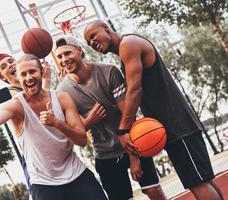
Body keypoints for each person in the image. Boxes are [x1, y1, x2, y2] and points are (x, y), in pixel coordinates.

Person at [84, 20, 224, 200]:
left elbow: (135, 90)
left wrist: (123, 129)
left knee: (198, 183)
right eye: (88, 42)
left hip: (177, 125)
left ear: (105, 27)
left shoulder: (129, 45)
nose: (92, 42)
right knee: (202, 181)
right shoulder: (126, 50)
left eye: (93, 36)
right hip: (175, 126)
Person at [0, 54, 108, 200]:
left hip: (76, 173)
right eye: (23, 74)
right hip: (44, 183)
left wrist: (57, 123)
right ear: (16, 78)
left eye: (32, 72)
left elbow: (82, 140)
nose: (28, 77)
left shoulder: (62, 97)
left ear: (42, 71)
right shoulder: (15, 105)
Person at [55, 36, 167, 200]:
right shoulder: (63, 91)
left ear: (79, 51)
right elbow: (77, 132)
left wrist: (134, 157)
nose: (64, 59)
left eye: (67, 53)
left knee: (153, 191)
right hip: (105, 154)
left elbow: (128, 114)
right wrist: (88, 121)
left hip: (132, 142)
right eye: (59, 57)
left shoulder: (108, 71)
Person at [0, 53, 52, 191]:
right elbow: (42, 109)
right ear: (2, 77)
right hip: (36, 160)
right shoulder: (8, 94)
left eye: (11, 61)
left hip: (54, 149)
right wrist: (47, 80)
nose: (10, 65)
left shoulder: (37, 86)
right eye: (4, 66)